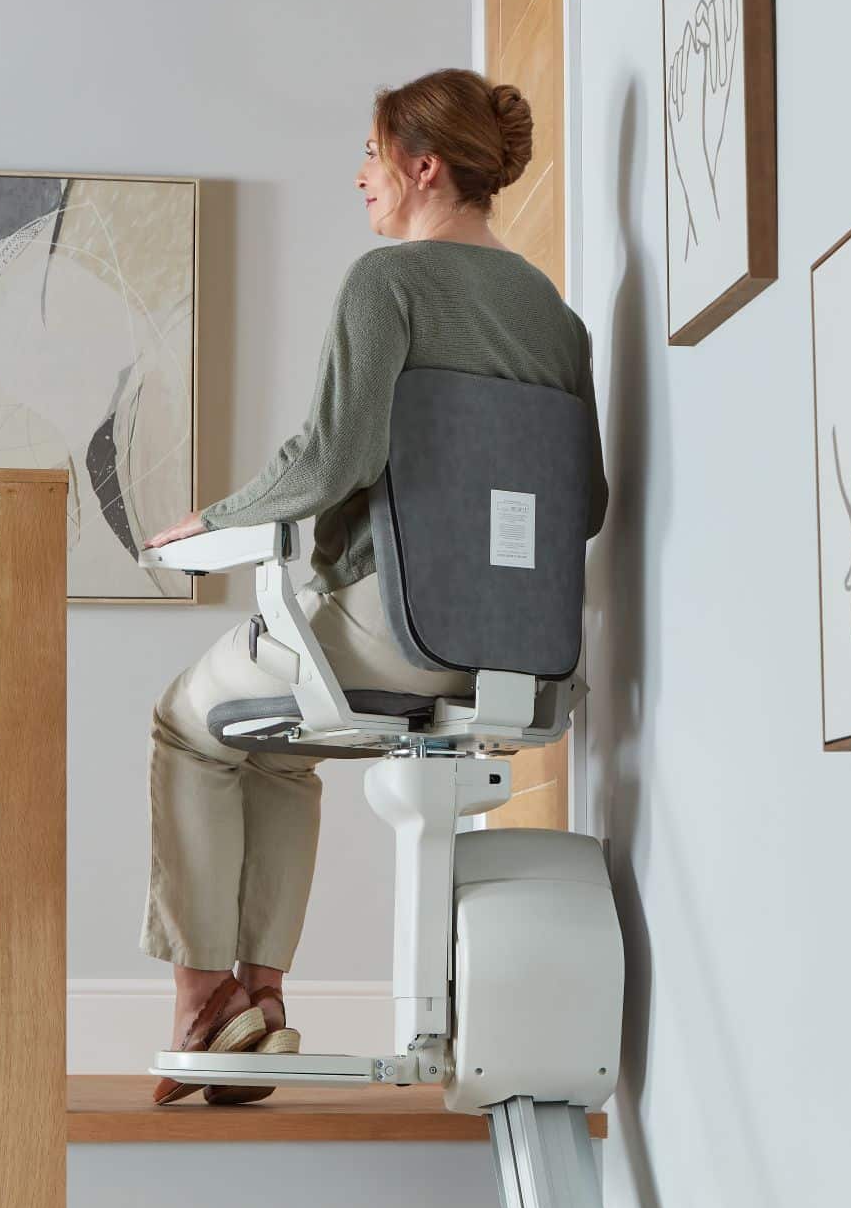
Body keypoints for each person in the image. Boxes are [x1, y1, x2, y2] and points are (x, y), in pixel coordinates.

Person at [140, 67, 608, 1105]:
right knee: (277, 747)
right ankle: (251, 999)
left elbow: (329, 459)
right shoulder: (556, 319)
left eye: (368, 155)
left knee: (187, 721)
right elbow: (585, 503)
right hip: (519, 644)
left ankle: (201, 993)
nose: (359, 179)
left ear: (420, 165)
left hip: (391, 626)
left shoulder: (386, 280)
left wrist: (212, 519)